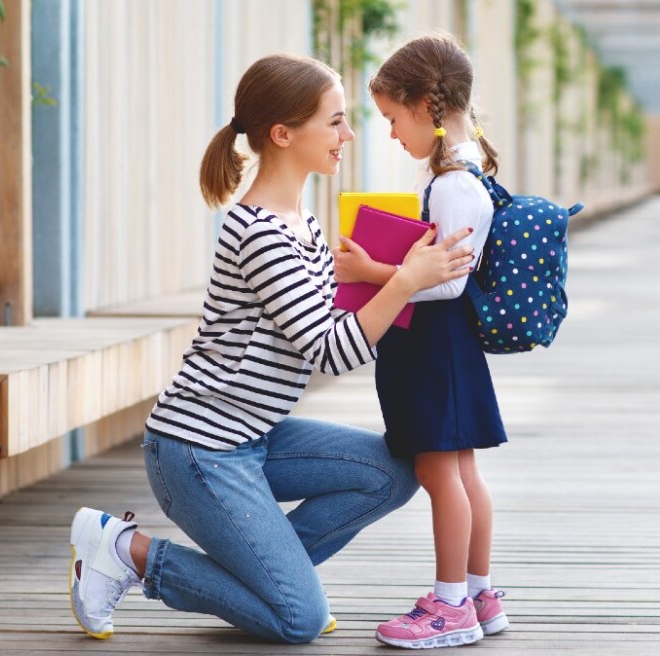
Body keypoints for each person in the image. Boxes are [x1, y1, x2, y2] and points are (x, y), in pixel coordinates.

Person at [67, 53, 476, 645]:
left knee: (393, 471)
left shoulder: (302, 223)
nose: (349, 134)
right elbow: (331, 351)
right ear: (283, 134)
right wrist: (406, 279)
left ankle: (267, 582)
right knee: (297, 620)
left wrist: (387, 272)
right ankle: (127, 552)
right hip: (198, 450)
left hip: (255, 435)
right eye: (334, 121)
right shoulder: (260, 233)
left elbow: (329, 318)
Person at [332, 33, 510, 649]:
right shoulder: (462, 174)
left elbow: (444, 285)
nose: (389, 133)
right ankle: (478, 593)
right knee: (462, 474)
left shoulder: (452, 184)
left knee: (442, 477)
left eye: (391, 118)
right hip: (447, 351)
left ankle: (451, 604)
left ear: (426, 105)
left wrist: (368, 273)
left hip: (433, 349)